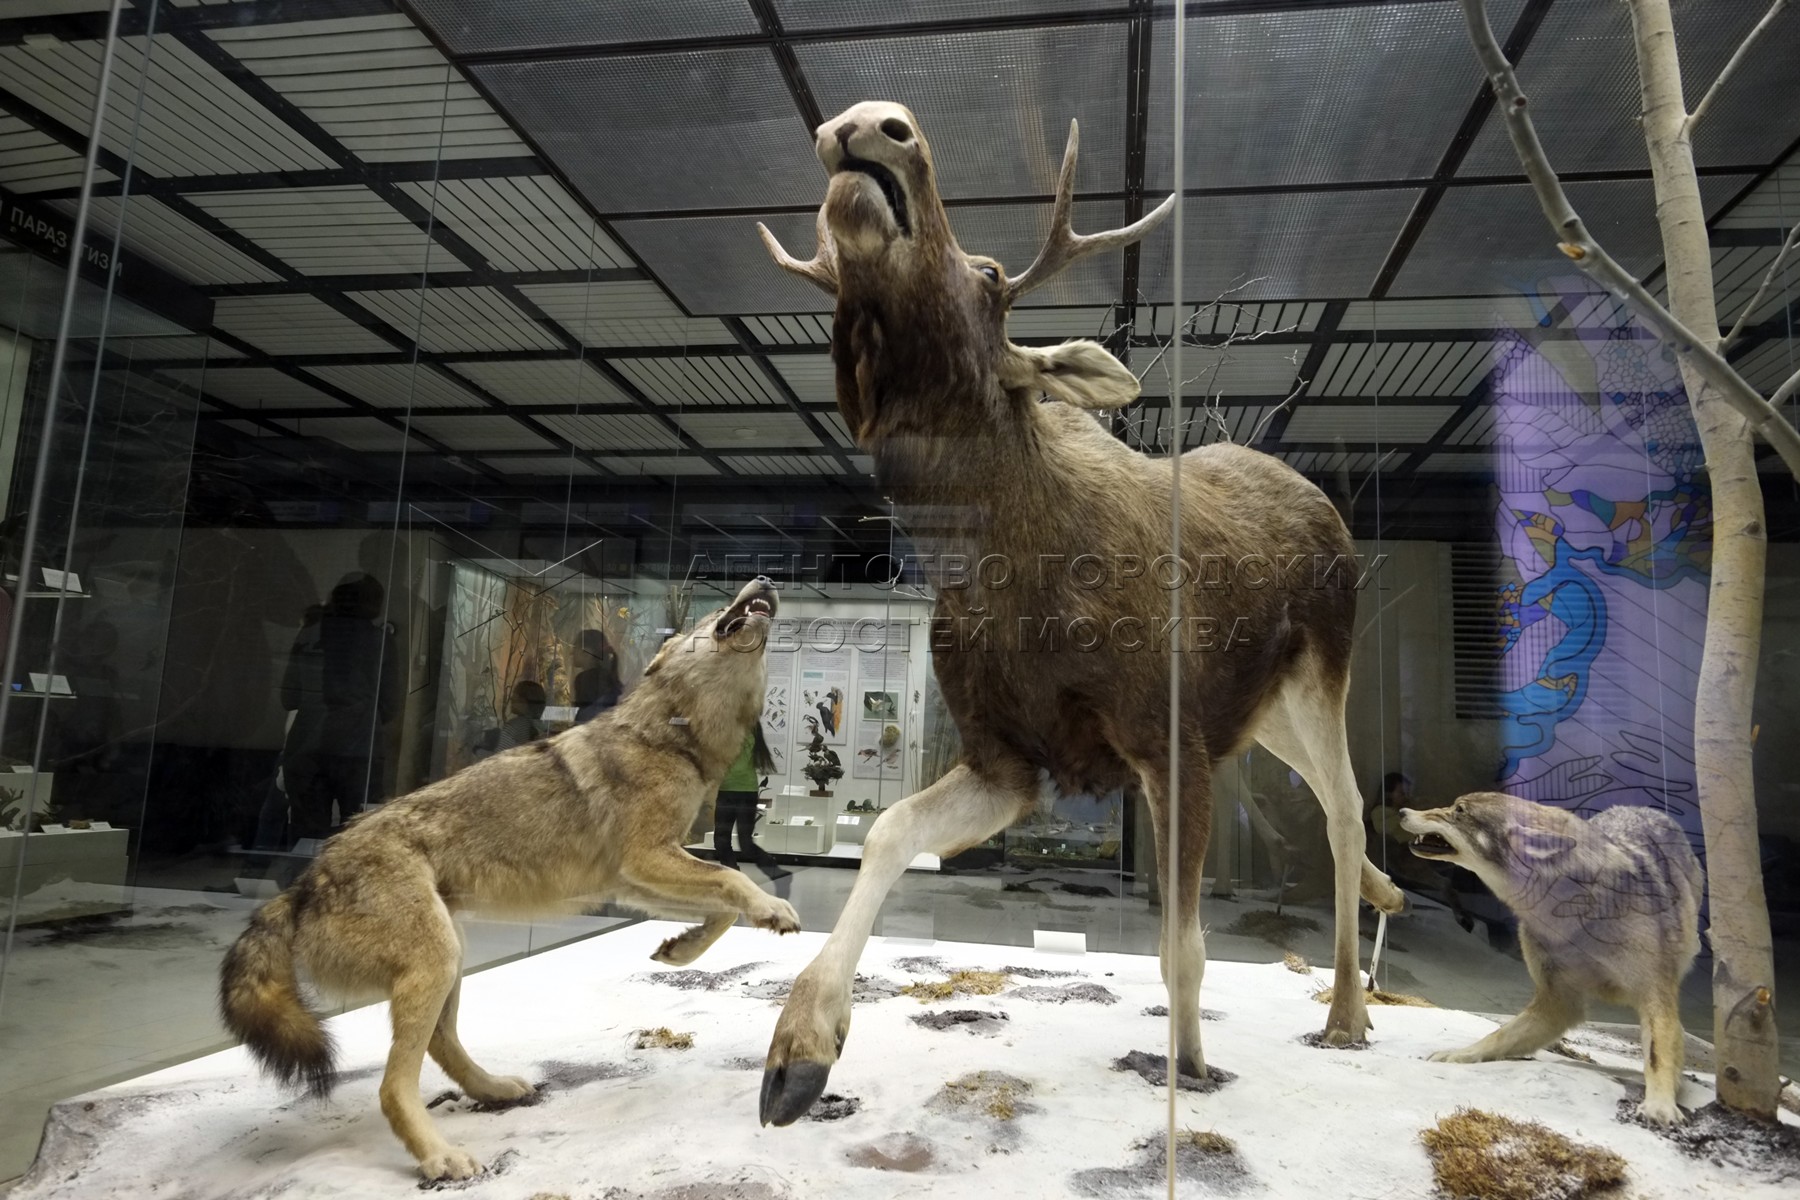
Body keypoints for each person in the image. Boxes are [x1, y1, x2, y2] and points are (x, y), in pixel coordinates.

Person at [282, 575, 397, 841]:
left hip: (306, 747)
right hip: (357, 750)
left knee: (306, 839)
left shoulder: (309, 633)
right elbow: (390, 706)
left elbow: (288, 698)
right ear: (374, 605)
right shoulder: (379, 640)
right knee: (359, 840)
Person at [1367, 772, 1474, 931]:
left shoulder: (1397, 812)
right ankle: (1460, 914)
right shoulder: (1381, 813)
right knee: (1445, 881)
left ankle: (1460, 914)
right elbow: (1389, 830)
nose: (1405, 797)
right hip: (1404, 859)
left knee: (1451, 876)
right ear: (1388, 794)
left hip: (1417, 856)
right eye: (1401, 793)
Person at [713, 724, 787, 879]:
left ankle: (769, 868)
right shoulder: (736, 731)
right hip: (732, 791)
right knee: (723, 840)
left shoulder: (743, 732)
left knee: (739, 841)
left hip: (743, 792)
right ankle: (733, 874)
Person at [475, 679, 548, 757]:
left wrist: (477, 749)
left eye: (515, 696)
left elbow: (499, 760)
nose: (511, 699)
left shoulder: (514, 727)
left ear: (524, 702)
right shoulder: (541, 727)